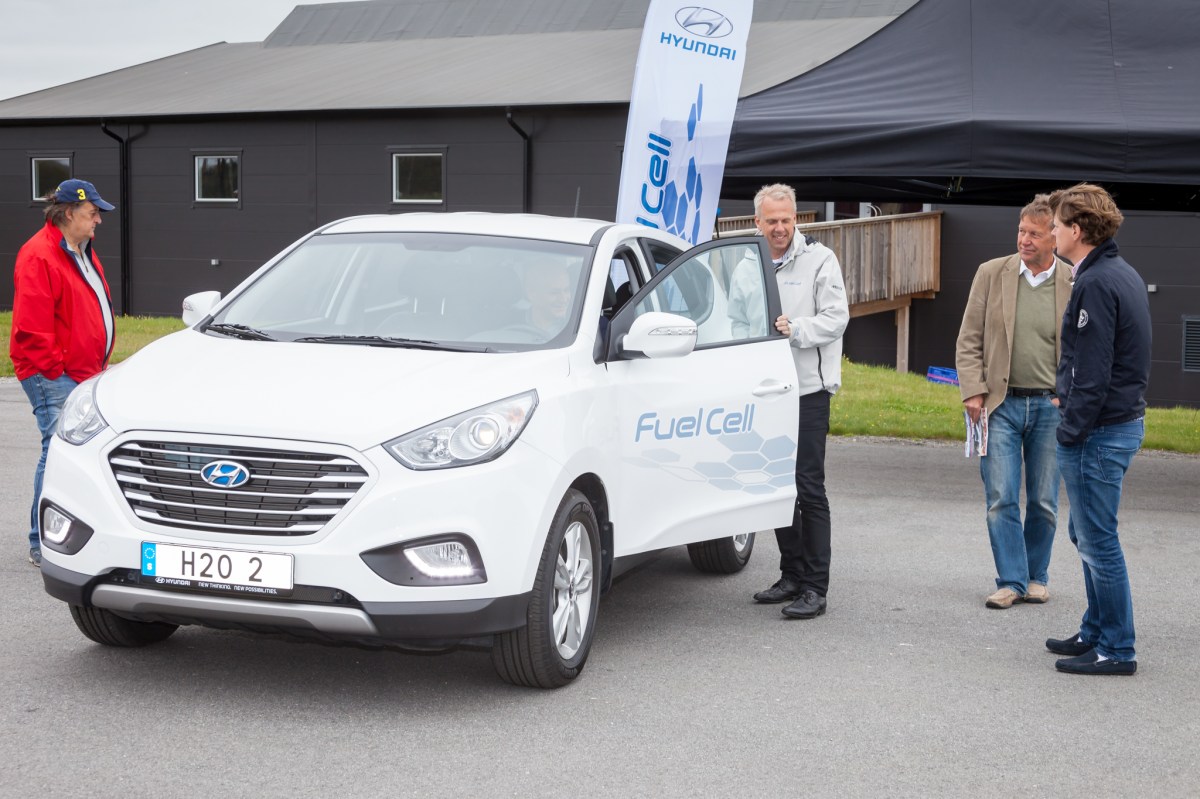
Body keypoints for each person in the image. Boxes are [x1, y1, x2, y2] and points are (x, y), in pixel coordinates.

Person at [1044, 183, 1151, 676]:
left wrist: (1070, 429)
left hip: (1099, 433)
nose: (1051, 233)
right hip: (1115, 425)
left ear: (1077, 230)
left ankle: (1117, 649)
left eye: (1056, 226)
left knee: (1098, 540)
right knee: (1085, 532)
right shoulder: (1116, 272)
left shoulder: (1096, 282)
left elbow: (1093, 369)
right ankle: (1095, 630)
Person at [955, 195, 1073, 609]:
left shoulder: (1074, 280)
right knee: (1000, 496)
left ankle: (1036, 576)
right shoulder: (991, 273)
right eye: (1021, 231)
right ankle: (1011, 580)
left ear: (1053, 238)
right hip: (999, 405)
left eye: (1034, 234)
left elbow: (1085, 347)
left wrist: (1068, 395)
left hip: (1050, 408)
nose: (1024, 240)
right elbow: (969, 337)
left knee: (1043, 500)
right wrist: (973, 389)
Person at [745, 184, 849, 619]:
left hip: (808, 392)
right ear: (758, 222)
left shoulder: (820, 260)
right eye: (772, 221)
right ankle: (791, 574)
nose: (780, 228)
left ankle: (815, 588)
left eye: (786, 220)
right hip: (765, 392)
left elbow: (837, 318)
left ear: (796, 219)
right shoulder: (746, 264)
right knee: (775, 485)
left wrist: (796, 329)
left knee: (808, 488)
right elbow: (735, 318)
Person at [10, 179, 116, 567]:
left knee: (70, 452)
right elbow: (31, 328)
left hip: (81, 371)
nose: (98, 221)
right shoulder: (39, 255)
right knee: (57, 452)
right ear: (69, 213)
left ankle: (58, 535)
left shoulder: (80, 250)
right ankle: (42, 542)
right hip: (52, 374)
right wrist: (56, 369)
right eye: (92, 213)